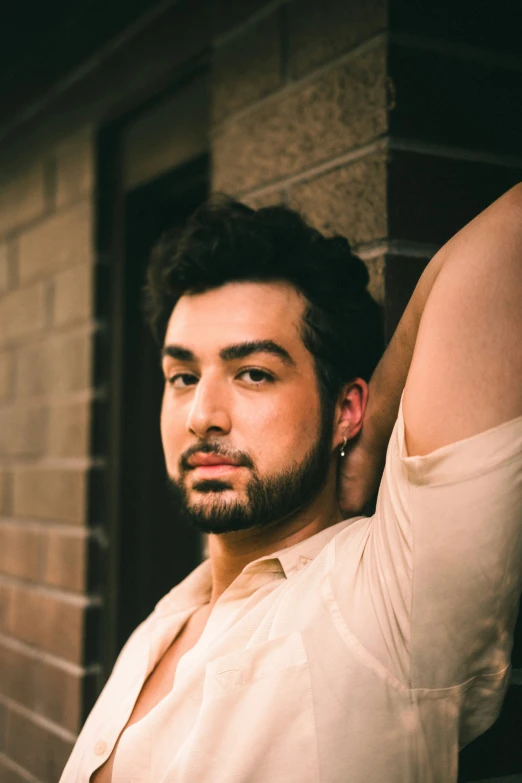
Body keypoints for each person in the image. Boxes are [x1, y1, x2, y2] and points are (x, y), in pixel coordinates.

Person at [60, 186, 522, 783]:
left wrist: (376, 423)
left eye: (253, 373)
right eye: (181, 376)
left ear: (343, 409)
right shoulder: (162, 625)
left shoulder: (387, 606)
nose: (202, 414)